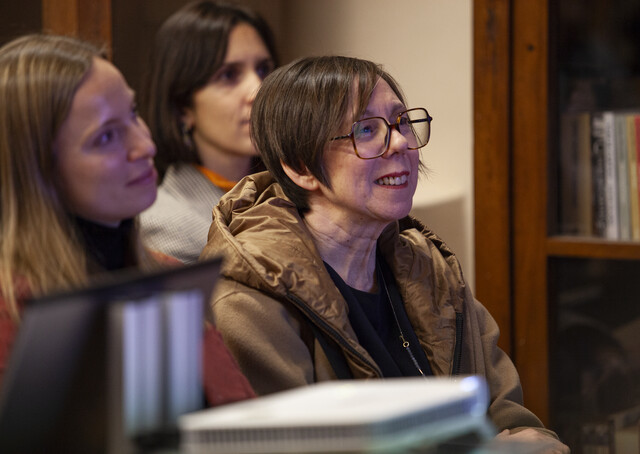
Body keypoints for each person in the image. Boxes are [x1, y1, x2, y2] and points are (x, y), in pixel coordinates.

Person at [201, 56, 570, 452]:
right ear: (300, 167)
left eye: (401, 122)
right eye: (365, 129)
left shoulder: (430, 269)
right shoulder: (248, 304)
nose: (400, 143)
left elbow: (511, 419)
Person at [0, 33, 254, 406]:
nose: (145, 145)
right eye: (106, 137)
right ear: (36, 173)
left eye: (133, 113)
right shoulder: (13, 316)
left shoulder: (164, 274)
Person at [139, 0, 277, 263]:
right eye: (228, 75)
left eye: (263, 70)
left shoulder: (293, 190)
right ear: (183, 107)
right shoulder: (166, 224)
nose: (259, 90)